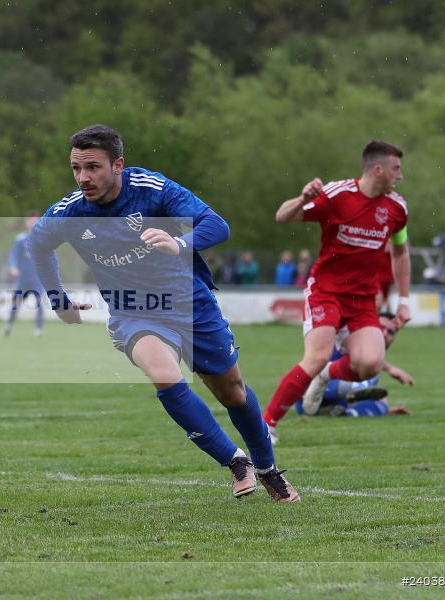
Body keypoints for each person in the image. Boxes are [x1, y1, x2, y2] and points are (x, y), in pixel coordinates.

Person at [28, 124, 298, 502]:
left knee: (233, 393)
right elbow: (37, 247)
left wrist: (179, 242)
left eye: (93, 167)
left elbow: (216, 225)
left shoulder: (152, 189)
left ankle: (268, 469)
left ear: (118, 164)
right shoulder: (70, 212)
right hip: (134, 311)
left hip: (190, 303)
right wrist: (59, 302)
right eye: (76, 168)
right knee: (164, 374)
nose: (83, 178)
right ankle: (236, 462)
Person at [263, 140, 412, 440]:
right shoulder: (337, 195)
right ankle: (267, 424)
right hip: (326, 291)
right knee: (317, 355)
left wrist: (404, 300)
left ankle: (327, 376)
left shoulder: (397, 208)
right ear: (378, 169)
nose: (400, 176)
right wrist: (302, 197)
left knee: (369, 364)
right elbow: (282, 216)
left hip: (362, 301)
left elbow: (400, 253)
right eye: (396, 169)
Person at [278, 313, 413, 437]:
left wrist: (386, 409)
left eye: (390, 332)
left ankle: (343, 412)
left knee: (382, 404)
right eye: (381, 327)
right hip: (309, 394)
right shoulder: (351, 336)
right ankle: (342, 404)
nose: (384, 334)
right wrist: (389, 368)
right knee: (371, 379)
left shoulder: (368, 354)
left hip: (332, 398)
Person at [3, 215, 45, 338]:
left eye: (35, 222)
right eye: (30, 221)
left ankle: (38, 329)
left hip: (37, 278)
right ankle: (9, 326)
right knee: (16, 303)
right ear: (27, 223)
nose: (32, 224)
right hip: (23, 277)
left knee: (38, 303)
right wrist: (13, 267)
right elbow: (14, 256)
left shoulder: (44, 239)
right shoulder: (21, 239)